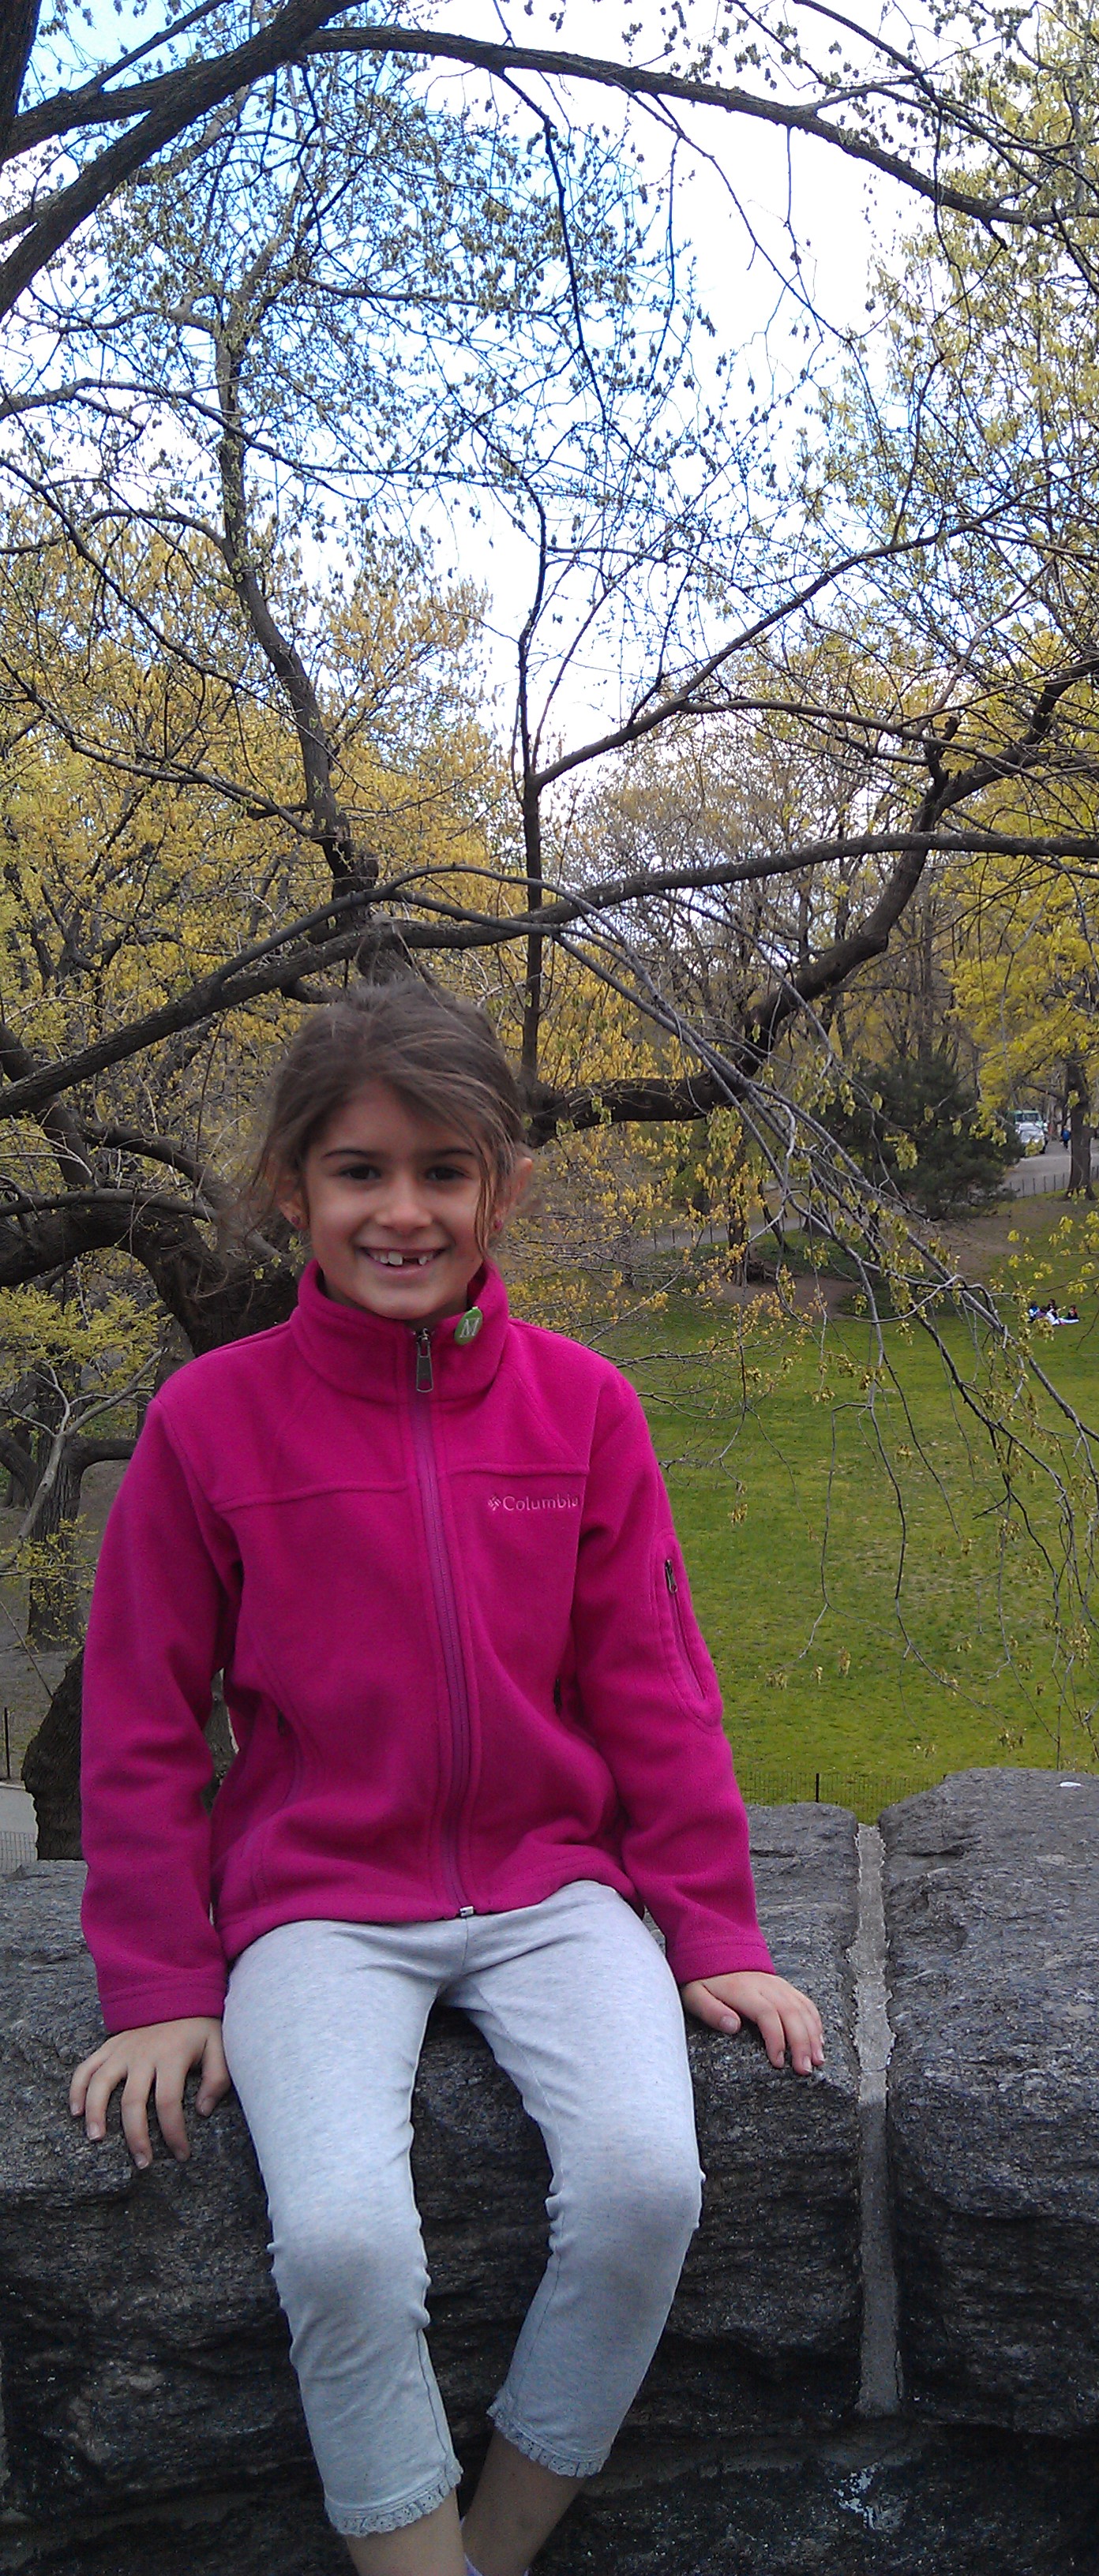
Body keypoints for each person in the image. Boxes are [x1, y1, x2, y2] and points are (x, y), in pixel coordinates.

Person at [68, 980, 823, 2576]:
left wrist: (716, 1932)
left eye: (442, 1172)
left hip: (556, 1894)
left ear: (504, 1189)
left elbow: (654, 1691)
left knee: (646, 2185)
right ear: (292, 1188)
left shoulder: (585, 1409)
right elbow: (138, 1720)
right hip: (317, 1911)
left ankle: (495, 2541)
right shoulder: (210, 1422)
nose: (401, 1211)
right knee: (344, 2241)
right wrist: (158, 1985)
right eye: (359, 1171)